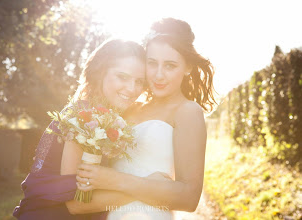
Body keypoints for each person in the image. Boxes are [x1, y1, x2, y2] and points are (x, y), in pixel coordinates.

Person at [75, 17, 217, 219]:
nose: (159, 75)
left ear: (187, 68)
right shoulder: (129, 108)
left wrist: (115, 180)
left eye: (170, 65)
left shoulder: (187, 111)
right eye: (152, 63)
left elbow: (189, 198)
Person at [13, 39, 150, 219]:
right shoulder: (85, 117)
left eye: (139, 81)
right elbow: (76, 204)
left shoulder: (100, 114)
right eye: (122, 77)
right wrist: (147, 190)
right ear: (100, 74)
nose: (132, 89)